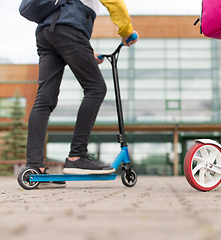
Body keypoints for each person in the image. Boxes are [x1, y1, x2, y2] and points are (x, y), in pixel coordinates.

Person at [25, 0, 138, 187]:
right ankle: (77, 156)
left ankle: (35, 167)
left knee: (44, 99)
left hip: (46, 33)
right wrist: (126, 31)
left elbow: (64, 17)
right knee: (96, 88)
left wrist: (89, 53)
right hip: (67, 31)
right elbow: (114, 2)